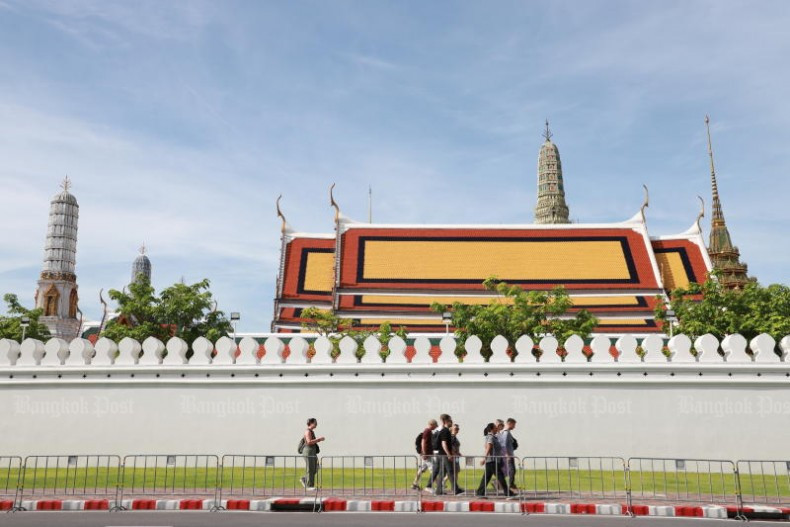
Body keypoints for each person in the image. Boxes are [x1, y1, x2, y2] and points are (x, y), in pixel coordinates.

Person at [476, 422, 513, 497]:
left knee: (486, 478)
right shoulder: (490, 437)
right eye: (495, 428)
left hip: (492, 461)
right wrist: (484, 459)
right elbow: (488, 448)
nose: (497, 429)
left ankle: (480, 492)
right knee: (501, 477)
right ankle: (508, 493)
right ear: (492, 429)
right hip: (493, 461)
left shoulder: (492, 437)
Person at [432, 414, 463, 495]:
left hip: (442, 454)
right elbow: (444, 444)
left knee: (442, 473)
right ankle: (456, 489)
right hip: (444, 455)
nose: (451, 422)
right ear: (446, 421)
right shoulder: (445, 431)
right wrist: (449, 454)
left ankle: (438, 491)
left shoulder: (444, 430)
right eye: (450, 420)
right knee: (450, 472)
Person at [411, 419, 438, 490]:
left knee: (421, 470)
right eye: (435, 425)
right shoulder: (427, 431)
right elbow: (423, 442)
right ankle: (438, 486)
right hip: (427, 455)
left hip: (427, 454)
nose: (436, 427)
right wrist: (424, 453)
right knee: (434, 470)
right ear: (432, 424)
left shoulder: (428, 431)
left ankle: (414, 483)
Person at [300, 417, 325, 490]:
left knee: (316, 467)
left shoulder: (311, 431)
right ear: (311, 423)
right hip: (308, 451)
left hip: (312, 451)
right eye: (315, 422)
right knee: (310, 468)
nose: (316, 424)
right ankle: (309, 486)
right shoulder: (307, 431)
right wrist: (319, 439)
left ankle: (305, 479)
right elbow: (309, 442)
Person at [499, 418, 519, 493]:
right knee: (512, 470)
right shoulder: (506, 433)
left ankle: (501, 484)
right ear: (510, 423)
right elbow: (503, 444)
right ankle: (511, 485)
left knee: (507, 471)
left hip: (510, 454)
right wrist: (507, 455)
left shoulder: (507, 432)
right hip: (508, 455)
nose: (514, 426)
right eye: (514, 424)